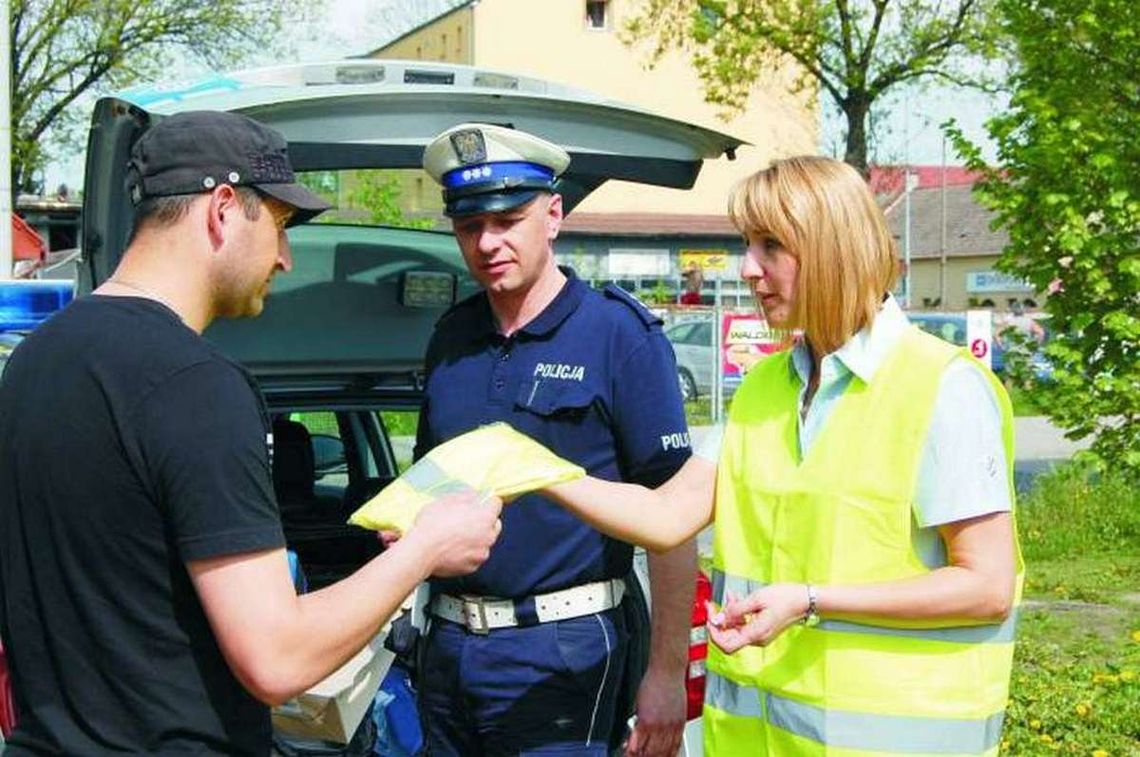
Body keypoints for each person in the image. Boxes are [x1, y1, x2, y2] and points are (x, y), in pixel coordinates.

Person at [0, 111, 502, 755]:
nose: (286, 258)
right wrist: (426, 548)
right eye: (281, 226)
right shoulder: (197, 383)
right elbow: (277, 658)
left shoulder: (33, 361)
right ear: (223, 207)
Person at [544, 156, 1023, 755]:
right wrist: (535, 470)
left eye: (772, 246)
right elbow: (665, 517)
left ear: (833, 250)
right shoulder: (767, 387)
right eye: (748, 244)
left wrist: (811, 601)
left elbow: (987, 587)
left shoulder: (943, 387)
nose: (748, 269)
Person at [415, 122, 697, 756]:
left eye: (508, 220)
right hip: (447, 648)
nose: (488, 242)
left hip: (566, 655)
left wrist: (665, 674)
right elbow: (433, 482)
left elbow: (673, 525)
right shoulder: (451, 339)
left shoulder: (618, 335)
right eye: (469, 227)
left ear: (553, 215)